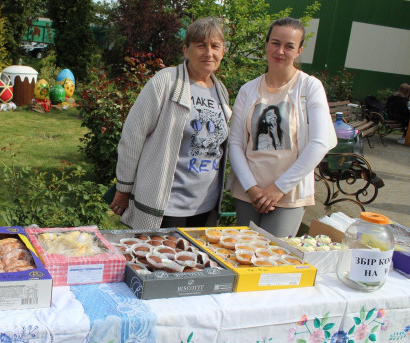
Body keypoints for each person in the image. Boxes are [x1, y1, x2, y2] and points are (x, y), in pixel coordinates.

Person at [109, 17, 231, 229]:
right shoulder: (166, 81)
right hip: (167, 205)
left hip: (205, 205)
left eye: (215, 46)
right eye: (200, 45)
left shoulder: (220, 91)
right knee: (160, 251)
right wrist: (124, 186)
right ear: (186, 50)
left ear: (223, 52)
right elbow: (133, 134)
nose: (208, 52)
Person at [228, 17, 337, 237]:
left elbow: (320, 142)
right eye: (275, 43)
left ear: (299, 51)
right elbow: (236, 143)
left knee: (274, 255)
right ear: (266, 45)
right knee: (243, 252)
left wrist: (278, 188)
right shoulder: (248, 90)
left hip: (289, 193)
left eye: (289, 46)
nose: (280, 51)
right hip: (249, 193)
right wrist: (251, 188)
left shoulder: (309, 87)